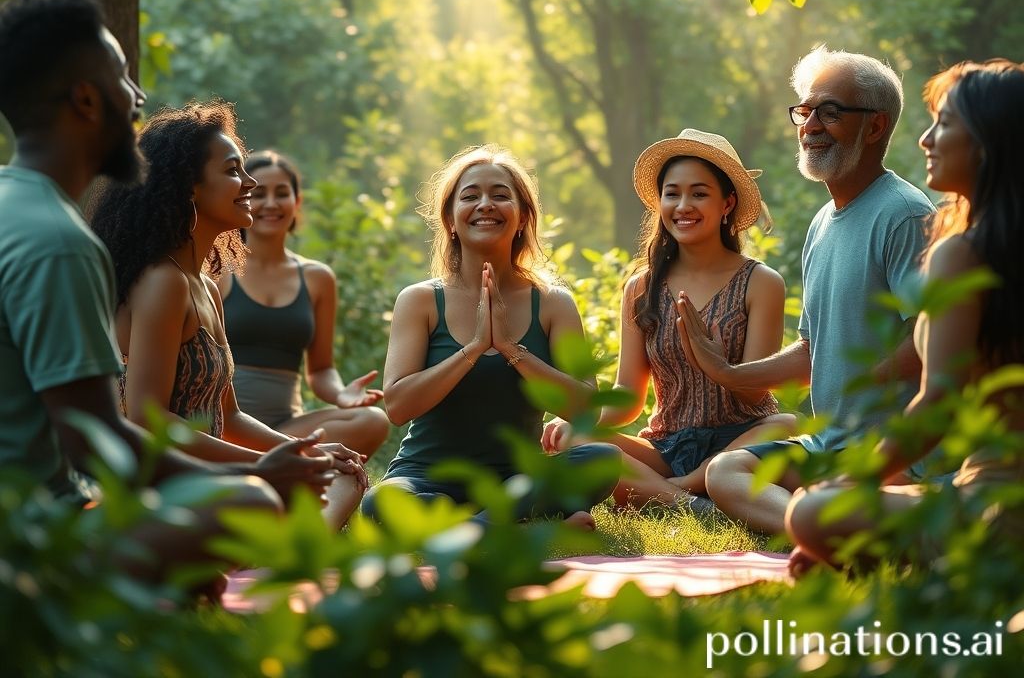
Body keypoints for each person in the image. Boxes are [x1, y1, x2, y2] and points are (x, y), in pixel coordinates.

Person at [0, 0, 337, 586]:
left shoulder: (21, 210)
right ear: (84, 98)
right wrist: (256, 475)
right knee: (253, 503)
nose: (137, 99)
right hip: (36, 535)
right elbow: (96, 441)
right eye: (123, 78)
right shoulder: (60, 241)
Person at [684, 47, 934, 533]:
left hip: (894, 446)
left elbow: (930, 334)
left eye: (832, 112)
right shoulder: (821, 223)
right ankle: (818, 530)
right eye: (805, 110)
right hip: (830, 444)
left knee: (823, 490)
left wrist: (869, 384)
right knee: (726, 471)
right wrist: (728, 372)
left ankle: (826, 525)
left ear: (876, 126)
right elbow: (812, 351)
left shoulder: (905, 213)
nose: (811, 125)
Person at [786, 59, 1024, 569]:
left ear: (990, 140)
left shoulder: (959, 252)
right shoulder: (976, 245)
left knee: (812, 511)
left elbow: (936, 403)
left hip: (999, 503)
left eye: (945, 122)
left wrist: (854, 482)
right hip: (977, 487)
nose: (925, 139)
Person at [89, 102, 366, 531]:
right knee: (268, 498)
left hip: (216, 481)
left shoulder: (202, 283)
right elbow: (146, 416)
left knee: (343, 476)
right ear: (189, 186)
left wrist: (304, 453)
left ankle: (282, 550)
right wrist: (266, 467)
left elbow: (228, 415)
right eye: (235, 170)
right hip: (163, 485)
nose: (250, 182)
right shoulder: (164, 282)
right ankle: (281, 553)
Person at [361, 145, 620, 527]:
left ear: (522, 218)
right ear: (450, 219)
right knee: (380, 502)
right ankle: (517, 523)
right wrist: (474, 348)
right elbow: (398, 406)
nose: (485, 204)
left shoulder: (552, 303)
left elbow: (586, 411)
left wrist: (512, 351)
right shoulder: (420, 300)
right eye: (470, 196)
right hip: (427, 479)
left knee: (601, 459)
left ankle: (476, 525)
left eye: (500, 196)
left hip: (516, 481)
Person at [542, 129, 797, 508]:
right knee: (578, 441)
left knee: (787, 426)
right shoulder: (641, 288)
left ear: (727, 203)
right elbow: (628, 397)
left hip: (743, 439)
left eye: (699, 193)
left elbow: (754, 390)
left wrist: (714, 362)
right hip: (667, 445)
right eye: (672, 193)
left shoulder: (761, 283)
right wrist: (581, 421)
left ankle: (681, 489)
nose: (683, 205)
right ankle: (693, 502)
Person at [218, 150, 389, 459]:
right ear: (242, 199)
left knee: (373, 421)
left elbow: (321, 369)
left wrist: (341, 394)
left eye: (282, 193)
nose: (270, 203)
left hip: (286, 426)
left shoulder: (317, 278)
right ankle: (264, 457)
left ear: (296, 203)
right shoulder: (217, 272)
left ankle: (274, 455)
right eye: (259, 193)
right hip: (224, 425)